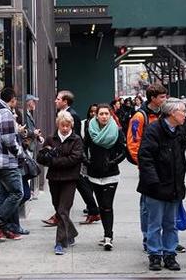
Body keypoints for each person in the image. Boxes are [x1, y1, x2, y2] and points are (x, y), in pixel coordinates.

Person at [127, 84, 185, 253]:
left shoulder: (167, 119)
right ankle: (149, 241)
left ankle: (167, 246)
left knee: (169, 218)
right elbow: (134, 143)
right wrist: (145, 168)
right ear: (153, 98)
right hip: (151, 173)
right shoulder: (140, 116)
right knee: (150, 211)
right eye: (161, 97)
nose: (164, 99)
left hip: (168, 175)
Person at [137, 98, 186, 271]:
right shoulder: (154, 130)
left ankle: (170, 254)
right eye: (183, 112)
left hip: (173, 186)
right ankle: (155, 255)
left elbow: (180, 159)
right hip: (156, 188)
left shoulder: (179, 132)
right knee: (154, 224)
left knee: (171, 224)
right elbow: (145, 158)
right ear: (172, 113)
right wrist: (154, 183)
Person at [44, 91, 99, 226]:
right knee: (80, 184)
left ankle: (90, 211)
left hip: (72, 159)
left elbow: (76, 138)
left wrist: (76, 157)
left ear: (65, 101)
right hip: (68, 159)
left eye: (58, 99)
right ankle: (92, 211)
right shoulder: (63, 115)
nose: (55, 101)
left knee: (80, 183)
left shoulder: (72, 115)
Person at [37, 111, 83, 255]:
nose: (65, 128)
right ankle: (72, 232)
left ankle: (60, 242)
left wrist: (53, 161)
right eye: (62, 125)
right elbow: (40, 158)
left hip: (70, 179)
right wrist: (47, 155)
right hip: (54, 179)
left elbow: (74, 159)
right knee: (58, 209)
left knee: (63, 210)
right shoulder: (51, 139)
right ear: (58, 125)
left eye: (67, 125)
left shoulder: (76, 140)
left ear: (71, 125)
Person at [85, 104, 127, 251]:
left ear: (110, 115)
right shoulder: (90, 129)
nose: (103, 116)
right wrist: (88, 162)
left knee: (107, 205)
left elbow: (124, 151)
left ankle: (109, 237)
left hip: (111, 174)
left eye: (106, 114)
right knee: (101, 205)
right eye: (101, 114)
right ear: (96, 115)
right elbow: (84, 148)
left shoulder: (116, 130)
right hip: (94, 174)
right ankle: (106, 234)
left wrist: (112, 162)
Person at [0, 88, 24, 241]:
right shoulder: (5, 113)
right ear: (13, 100)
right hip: (6, 161)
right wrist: (19, 153)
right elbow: (9, 140)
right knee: (17, 193)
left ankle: (3, 229)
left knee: (2, 195)